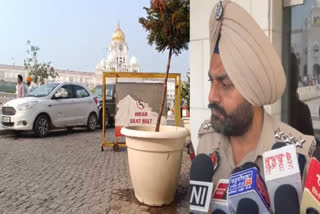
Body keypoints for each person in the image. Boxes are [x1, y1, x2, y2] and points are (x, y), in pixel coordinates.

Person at [197, 0, 317, 186]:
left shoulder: (298, 158)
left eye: (225, 83)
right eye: (210, 81)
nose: (211, 97)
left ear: (253, 91)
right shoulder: (206, 140)